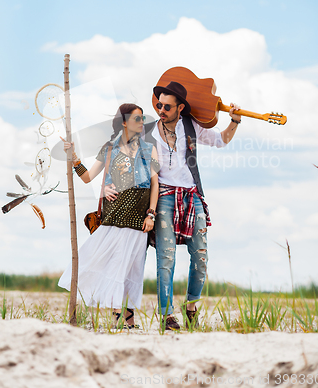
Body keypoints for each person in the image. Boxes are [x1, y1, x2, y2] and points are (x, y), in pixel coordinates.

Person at [148, 81, 241, 330]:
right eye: (159, 104)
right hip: (164, 197)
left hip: (192, 196)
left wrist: (234, 121)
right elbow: (124, 154)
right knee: (165, 259)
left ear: (180, 108)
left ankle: (191, 309)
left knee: (200, 257)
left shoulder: (191, 126)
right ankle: (167, 316)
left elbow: (222, 140)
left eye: (167, 106)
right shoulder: (148, 132)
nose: (161, 109)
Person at [58, 103, 159, 328]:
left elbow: (155, 184)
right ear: (124, 122)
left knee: (133, 270)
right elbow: (88, 178)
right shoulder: (110, 148)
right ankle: (116, 318)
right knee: (114, 267)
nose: (141, 123)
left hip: (138, 221)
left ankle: (129, 320)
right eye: (136, 118)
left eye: (142, 119)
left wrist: (151, 214)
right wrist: (73, 157)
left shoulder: (149, 148)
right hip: (114, 219)